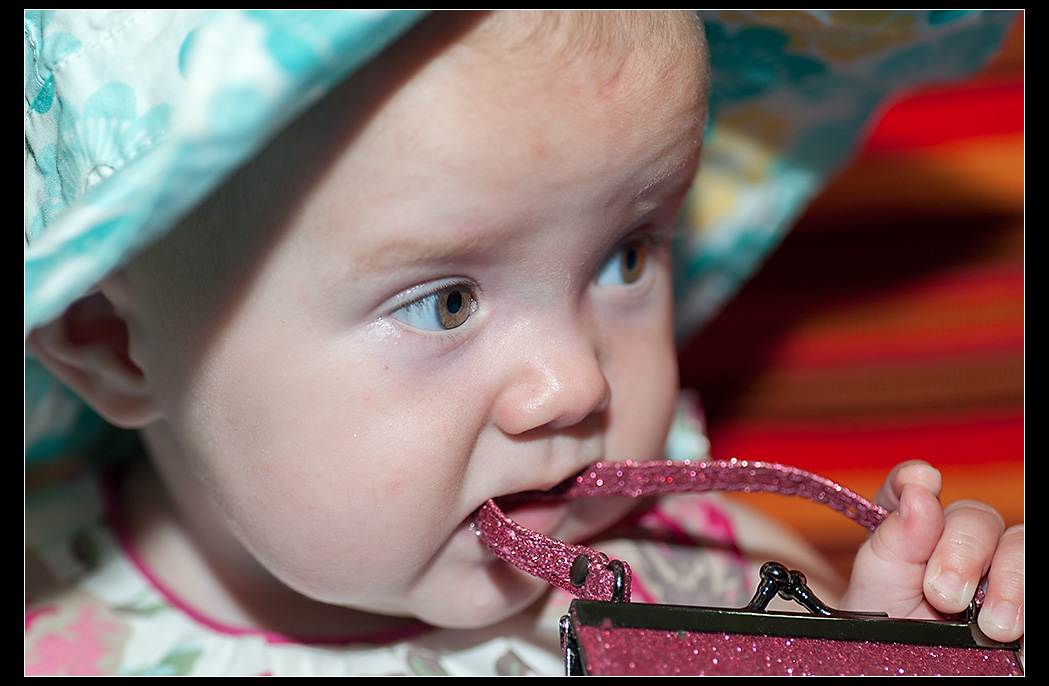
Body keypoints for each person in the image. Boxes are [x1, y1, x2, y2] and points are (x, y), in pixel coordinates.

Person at [24, 10, 1022, 675]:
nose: (576, 382)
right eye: (446, 303)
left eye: (626, 257)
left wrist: (891, 639)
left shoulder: (700, 576)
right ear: (115, 343)